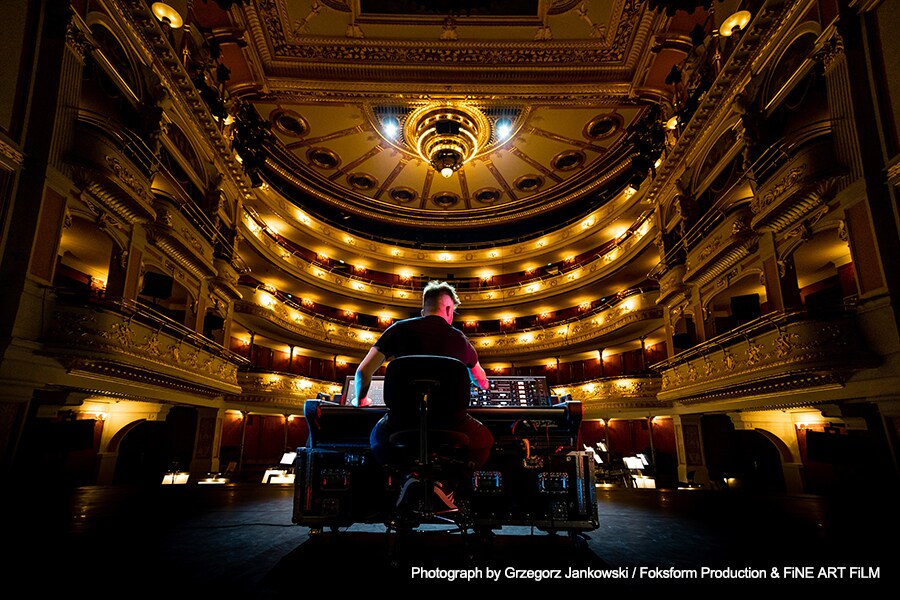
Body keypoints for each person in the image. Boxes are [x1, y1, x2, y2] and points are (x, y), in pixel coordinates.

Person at [355, 280, 494, 470]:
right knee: (485, 441)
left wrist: (361, 400)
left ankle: (406, 478)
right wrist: (484, 385)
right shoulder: (461, 340)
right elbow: (480, 380)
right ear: (448, 309)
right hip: (451, 424)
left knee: (376, 440)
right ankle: (449, 482)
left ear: (423, 311)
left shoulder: (397, 329)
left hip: (401, 423)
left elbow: (363, 372)